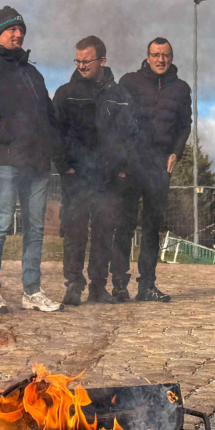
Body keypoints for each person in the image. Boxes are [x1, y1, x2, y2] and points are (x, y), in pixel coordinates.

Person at [0, 6, 63, 313]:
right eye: (12, 29)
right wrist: (9, 134)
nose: (18, 34)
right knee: (1, 222)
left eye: (21, 29)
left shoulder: (33, 73)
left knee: (35, 228)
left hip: (37, 161)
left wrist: (50, 143)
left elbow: (49, 114)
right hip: (5, 157)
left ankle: (31, 291)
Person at [53, 36, 138, 306]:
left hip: (110, 179)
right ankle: (73, 285)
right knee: (74, 231)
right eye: (77, 61)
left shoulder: (121, 97)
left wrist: (123, 171)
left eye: (86, 61)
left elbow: (131, 136)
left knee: (104, 233)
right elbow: (54, 133)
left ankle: (98, 288)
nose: (81, 66)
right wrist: (64, 166)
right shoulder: (65, 94)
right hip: (76, 176)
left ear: (102, 60)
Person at [113, 37, 192, 302]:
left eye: (166, 55)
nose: (161, 59)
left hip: (159, 166)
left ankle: (147, 286)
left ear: (172, 57)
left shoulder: (181, 88)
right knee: (124, 225)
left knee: (151, 227)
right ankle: (119, 285)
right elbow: (115, 121)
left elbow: (185, 125)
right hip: (130, 164)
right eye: (156, 54)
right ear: (147, 57)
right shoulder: (128, 82)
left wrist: (176, 152)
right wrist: (120, 159)